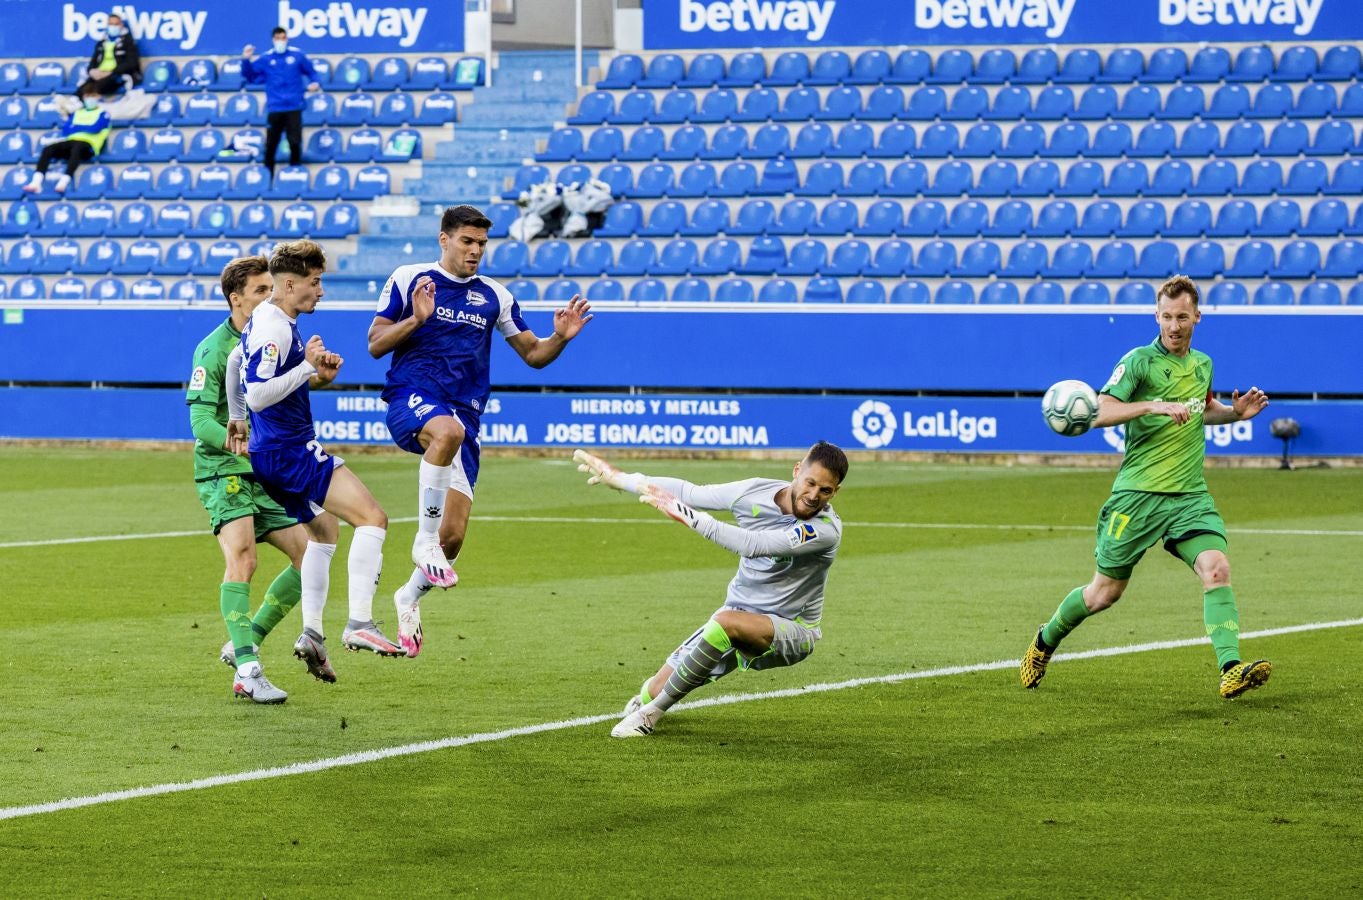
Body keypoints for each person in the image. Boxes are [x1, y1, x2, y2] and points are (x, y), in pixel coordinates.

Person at [1020, 274, 1273, 700]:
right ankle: (1044, 642)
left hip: (1190, 496)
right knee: (1104, 594)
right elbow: (1100, 411)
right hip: (1137, 496)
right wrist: (1153, 404)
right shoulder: (1138, 361)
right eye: (1167, 317)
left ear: (1197, 316)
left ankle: (1230, 668)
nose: (1174, 326)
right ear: (1156, 316)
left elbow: (1199, 409)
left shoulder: (1203, 364)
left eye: (1182, 317)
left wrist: (1233, 413)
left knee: (1217, 568)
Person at [366, 204, 593, 658]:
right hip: (411, 397)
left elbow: (533, 354)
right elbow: (375, 344)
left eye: (482, 244)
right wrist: (416, 319)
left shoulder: (495, 296)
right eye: (467, 242)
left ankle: (408, 596)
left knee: (452, 538)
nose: (475, 251)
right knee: (444, 434)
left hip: (465, 417)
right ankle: (421, 541)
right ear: (444, 239)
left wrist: (560, 339)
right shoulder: (411, 278)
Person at [574, 442, 850, 738]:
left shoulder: (824, 530)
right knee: (654, 688)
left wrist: (687, 515)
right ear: (797, 471)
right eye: (810, 483)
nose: (813, 496)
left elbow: (753, 545)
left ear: (835, 492)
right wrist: (622, 479)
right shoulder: (754, 492)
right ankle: (650, 701)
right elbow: (691, 492)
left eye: (826, 490)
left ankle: (649, 716)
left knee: (725, 624)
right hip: (738, 610)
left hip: (793, 630)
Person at [226, 240, 402, 660]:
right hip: (290, 452)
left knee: (324, 532)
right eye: (315, 282)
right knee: (373, 518)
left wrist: (237, 417)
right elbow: (261, 395)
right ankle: (360, 622)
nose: (320, 291)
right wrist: (306, 367)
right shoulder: (274, 326)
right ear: (289, 283)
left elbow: (236, 364)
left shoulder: (265, 319)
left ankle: (312, 634)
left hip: (272, 455)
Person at [187, 255, 341, 703]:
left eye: (270, 288)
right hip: (225, 470)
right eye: (259, 291)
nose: (268, 296)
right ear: (236, 299)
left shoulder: (271, 334)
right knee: (244, 560)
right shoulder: (214, 350)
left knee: (307, 555)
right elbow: (200, 421)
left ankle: (244, 643)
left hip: (266, 469)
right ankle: (250, 671)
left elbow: (285, 390)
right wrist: (241, 444)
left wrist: (319, 373)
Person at [240, 27, 320, 177]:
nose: (280, 41)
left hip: (294, 107)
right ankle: (267, 178)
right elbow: (249, 76)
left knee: (295, 143)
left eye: (283, 38)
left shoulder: (298, 56)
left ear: (287, 39)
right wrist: (246, 59)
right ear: (273, 40)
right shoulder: (266, 58)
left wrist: (315, 82)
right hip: (275, 108)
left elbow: (312, 72)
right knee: (271, 146)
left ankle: (295, 174)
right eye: (278, 38)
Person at [22, 86, 110, 194]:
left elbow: (95, 129)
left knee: (77, 148)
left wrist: (77, 127)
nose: (90, 99)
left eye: (93, 96)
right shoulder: (77, 113)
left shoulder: (103, 113)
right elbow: (67, 130)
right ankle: (36, 182)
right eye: (87, 96)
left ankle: (64, 181)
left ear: (98, 97)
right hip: (72, 143)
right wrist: (85, 127)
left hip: (89, 146)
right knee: (48, 149)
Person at [75, 12, 141, 97]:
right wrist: (92, 71)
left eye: (116, 24)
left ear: (121, 25)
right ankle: (73, 105)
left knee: (98, 87)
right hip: (100, 74)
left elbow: (132, 64)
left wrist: (110, 72)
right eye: (111, 24)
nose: (113, 27)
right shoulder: (101, 42)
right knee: (83, 89)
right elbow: (93, 62)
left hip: (117, 75)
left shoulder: (128, 42)